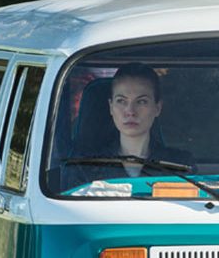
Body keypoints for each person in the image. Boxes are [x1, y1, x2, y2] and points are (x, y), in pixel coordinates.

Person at [62, 62, 195, 189]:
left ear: (157, 108)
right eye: (121, 101)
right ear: (111, 107)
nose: (130, 111)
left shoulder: (180, 165)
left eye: (141, 101)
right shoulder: (84, 166)